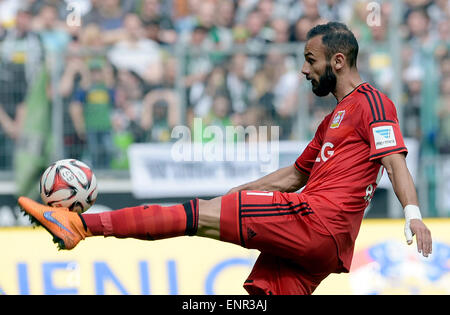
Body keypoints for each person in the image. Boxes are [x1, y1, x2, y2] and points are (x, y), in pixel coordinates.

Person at [18, 22, 432, 295]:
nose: (304, 71)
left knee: (193, 215)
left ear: (337, 61)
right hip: (327, 244)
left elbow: (394, 160)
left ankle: (81, 225)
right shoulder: (332, 122)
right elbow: (292, 175)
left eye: (310, 60)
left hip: (314, 220)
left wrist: (413, 213)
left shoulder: (373, 102)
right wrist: (235, 195)